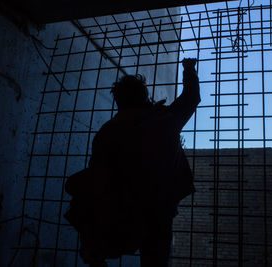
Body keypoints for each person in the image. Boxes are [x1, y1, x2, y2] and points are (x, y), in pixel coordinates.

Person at [78, 58, 200, 267]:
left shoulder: (107, 132)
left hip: (121, 209)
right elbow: (191, 98)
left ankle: (96, 257)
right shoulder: (164, 119)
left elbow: (96, 177)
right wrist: (189, 69)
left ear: (118, 101)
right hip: (158, 210)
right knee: (155, 259)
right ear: (145, 96)